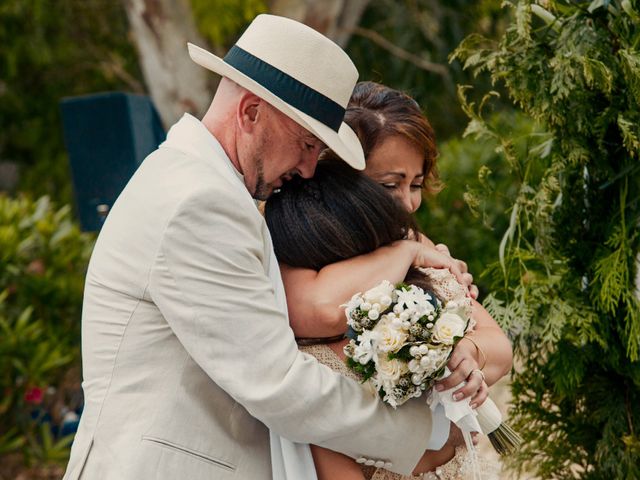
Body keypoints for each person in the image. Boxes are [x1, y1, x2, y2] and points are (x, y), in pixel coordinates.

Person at [62, 15, 472, 480]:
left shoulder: (203, 185)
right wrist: (423, 435)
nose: (310, 168)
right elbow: (277, 383)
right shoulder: (198, 202)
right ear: (250, 112)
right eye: (306, 143)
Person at [264, 159, 511, 480]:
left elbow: (500, 348)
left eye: (416, 184)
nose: (405, 203)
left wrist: (468, 352)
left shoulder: (418, 271)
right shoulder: (311, 366)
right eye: (391, 184)